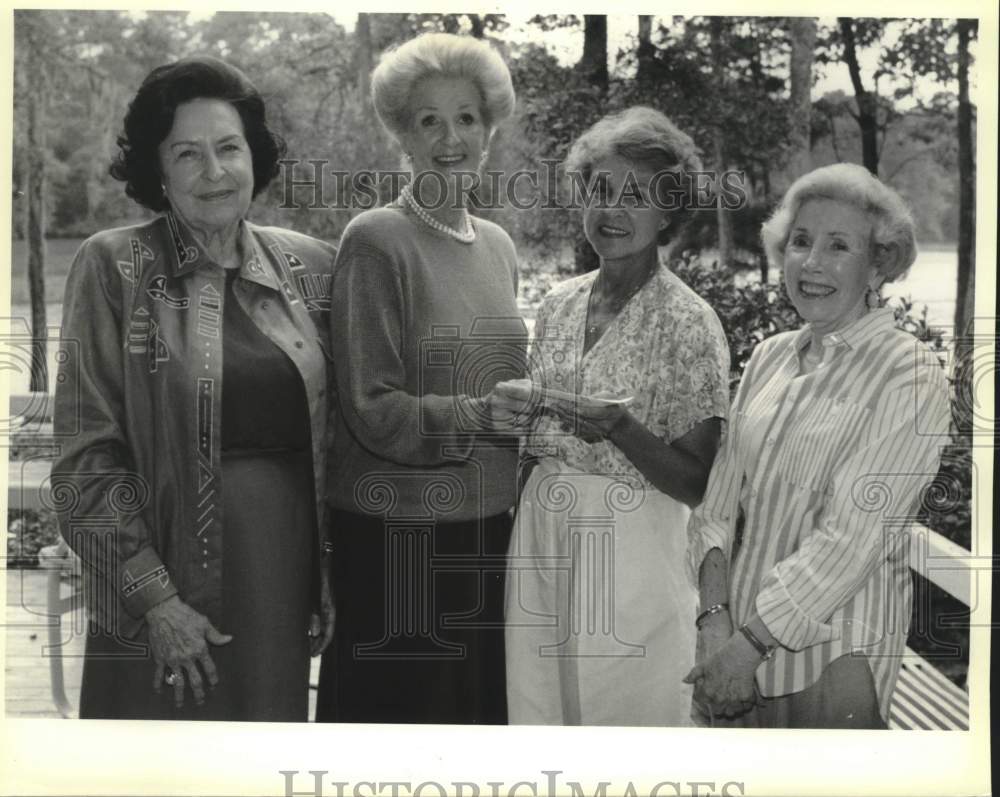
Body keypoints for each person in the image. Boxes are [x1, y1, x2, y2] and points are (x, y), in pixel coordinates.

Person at [51, 55, 336, 721]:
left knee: (262, 762)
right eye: (188, 153)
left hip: (280, 577)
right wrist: (154, 597)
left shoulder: (311, 265)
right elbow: (84, 458)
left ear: (254, 156)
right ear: (158, 170)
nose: (214, 171)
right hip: (158, 578)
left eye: (229, 148)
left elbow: (345, 436)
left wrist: (332, 577)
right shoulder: (114, 265)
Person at [684, 162, 950, 728]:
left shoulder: (910, 373)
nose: (812, 263)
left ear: (877, 264)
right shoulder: (770, 357)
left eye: (838, 246)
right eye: (801, 241)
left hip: (832, 660)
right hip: (731, 645)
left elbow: (851, 540)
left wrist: (745, 648)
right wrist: (713, 622)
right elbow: (716, 508)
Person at [315, 33, 526, 724]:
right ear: (402, 136)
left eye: (466, 117)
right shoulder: (376, 238)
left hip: (486, 529)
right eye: (428, 120)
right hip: (397, 535)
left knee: (474, 731)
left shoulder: (498, 246)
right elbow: (369, 407)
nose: (450, 136)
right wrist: (475, 415)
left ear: (489, 132)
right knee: (399, 734)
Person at [495, 107, 731, 726]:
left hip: (634, 545)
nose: (612, 210)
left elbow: (697, 481)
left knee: (625, 718)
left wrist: (618, 428)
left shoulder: (689, 323)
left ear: (667, 211)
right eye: (600, 189)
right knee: (540, 708)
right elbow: (536, 438)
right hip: (542, 534)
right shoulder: (558, 304)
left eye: (636, 195)